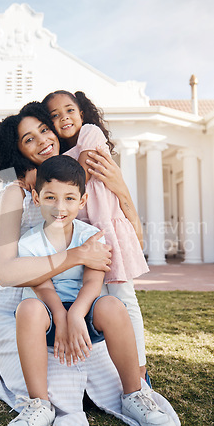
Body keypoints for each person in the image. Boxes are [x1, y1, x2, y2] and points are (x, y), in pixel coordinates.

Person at [0, 102, 180, 426]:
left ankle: (136, 391)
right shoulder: (16, 191)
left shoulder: (77, 172)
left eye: (45, 130)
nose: (42, 141)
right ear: (16, 150)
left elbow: (128, 237)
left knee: (114, 315)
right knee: (48, 347)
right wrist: (75, 257)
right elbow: (6, 271)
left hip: (83, 292)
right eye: (28, 139)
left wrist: (120, 187)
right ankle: (38, 403)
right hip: (33, 297)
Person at [41, 90, 149, 382]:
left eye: (70, 110)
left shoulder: (89, 133)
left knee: (124, 299)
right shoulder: (59, 153)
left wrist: (50, 176)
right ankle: (109, 369)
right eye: (55, 115)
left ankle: (139, 368)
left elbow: (82, 172)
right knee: (99, 300)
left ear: (82, 114)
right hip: (86, 236)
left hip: (108, 231)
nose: (64, 118)